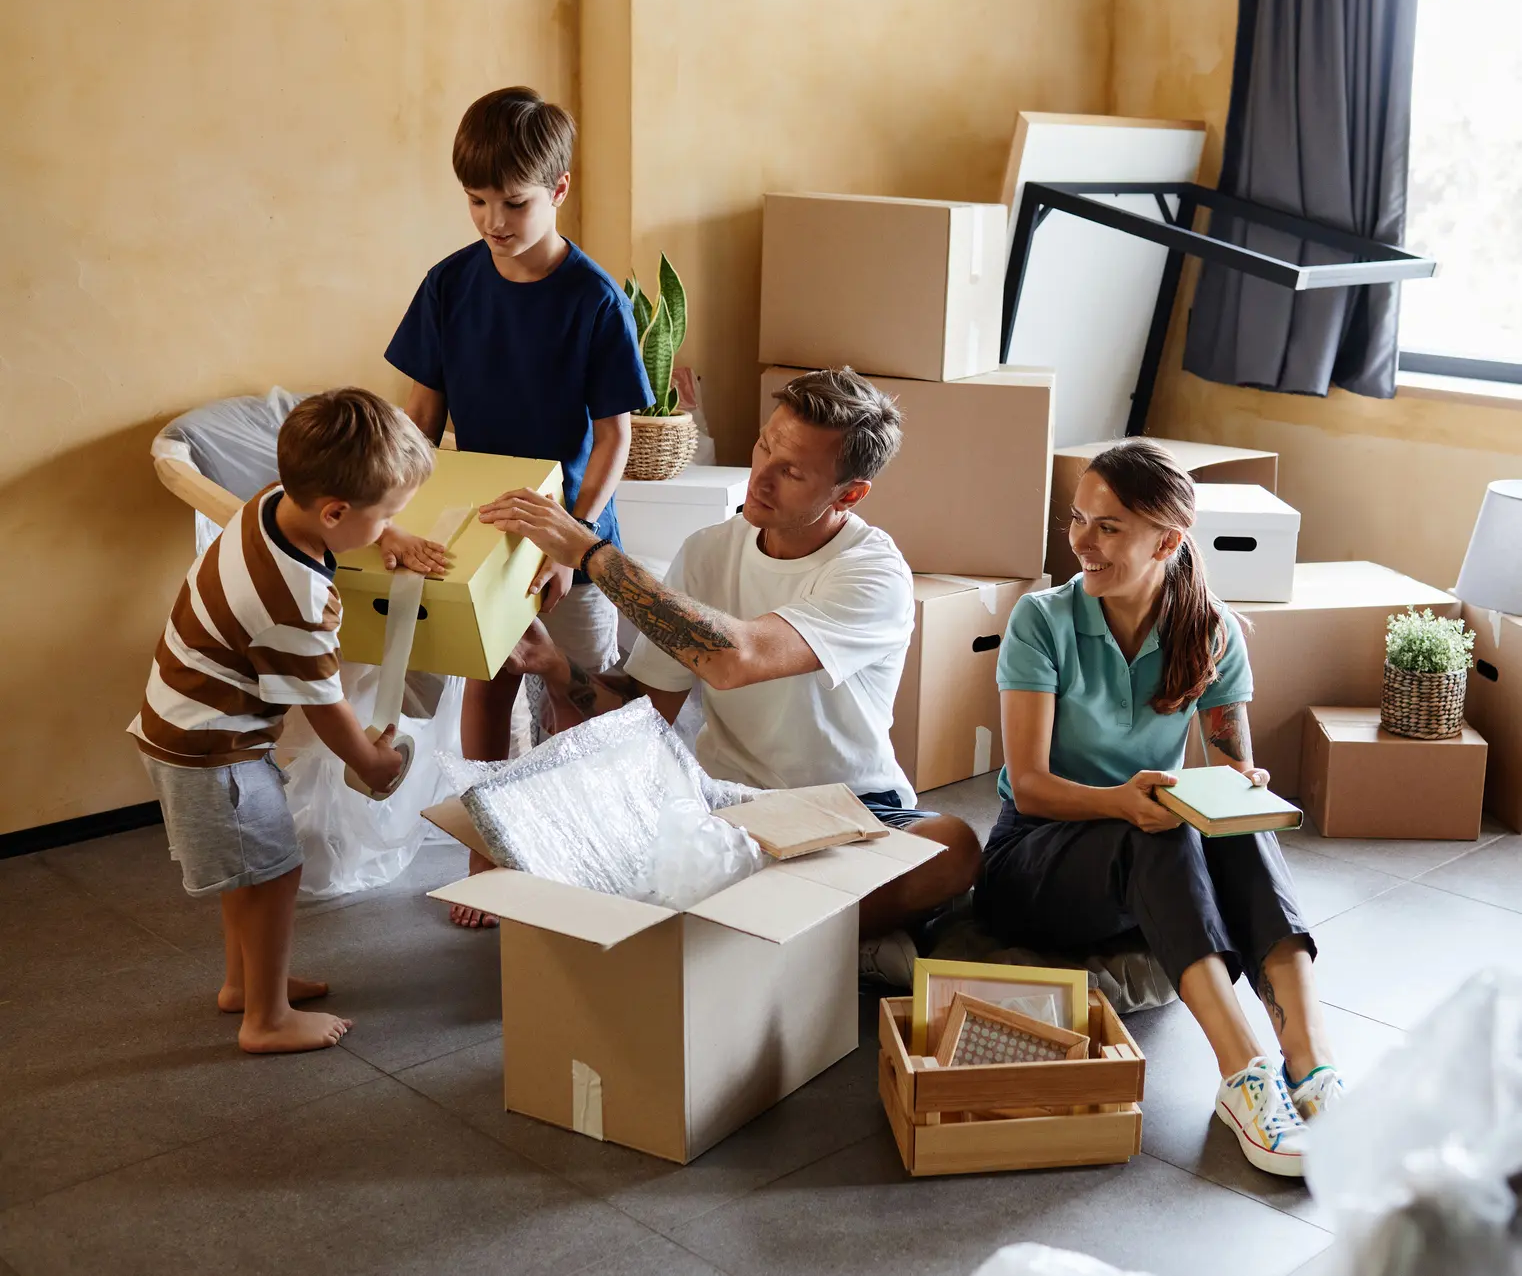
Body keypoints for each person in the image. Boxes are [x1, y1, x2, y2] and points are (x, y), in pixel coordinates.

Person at [479, 368, 983, 986]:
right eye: (766, 445)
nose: (762, 475)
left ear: (849, 495)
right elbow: (642, 710)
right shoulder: (709, 549)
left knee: (953, 846)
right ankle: (813, 944)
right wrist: (556, 668)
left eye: (792, 470)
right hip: (725, 811)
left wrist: (589, 551)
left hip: (851, 810)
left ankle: (753, 945)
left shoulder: (872, 573)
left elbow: (734, 658)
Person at [974, 439, 1344, 1177]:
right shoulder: (1040, 620)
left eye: (1108, 526)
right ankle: (1243, 1075)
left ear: (1168, 541)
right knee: (1162, 821)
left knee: (1225, 819)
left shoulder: (1212, 631)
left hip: (1140, 848)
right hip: (1035, 855)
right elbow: (1034, 782)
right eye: (1078, 519)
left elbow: (1232, 766)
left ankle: (1310, 1062)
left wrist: (1244, 784)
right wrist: (1121, 799)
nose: (1082, 540)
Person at [381, 86, 653, 925]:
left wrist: (568, 544)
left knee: (574, 691)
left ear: (559, 191)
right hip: (483, 533)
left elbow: (615, 438)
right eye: (477, 201)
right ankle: (489, 853)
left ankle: (574, 847)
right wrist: (390, 518)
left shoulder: (594, 299)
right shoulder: (448, 285)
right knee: (490, 684)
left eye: (514, 202)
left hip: (573, 537)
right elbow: (418, 423)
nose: (493, 220)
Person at [128, 389, 433, 1053]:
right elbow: (325, 706)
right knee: (273, 872)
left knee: (253, 868)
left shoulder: (271, 501)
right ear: (335, 511)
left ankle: (245, 982)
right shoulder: (294, 600)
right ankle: (264, 1018)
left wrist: (387, 529)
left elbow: (339, 523)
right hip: (216, 750)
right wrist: (373, 762)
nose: (390, 528)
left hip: (186, 724)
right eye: (388, 516)